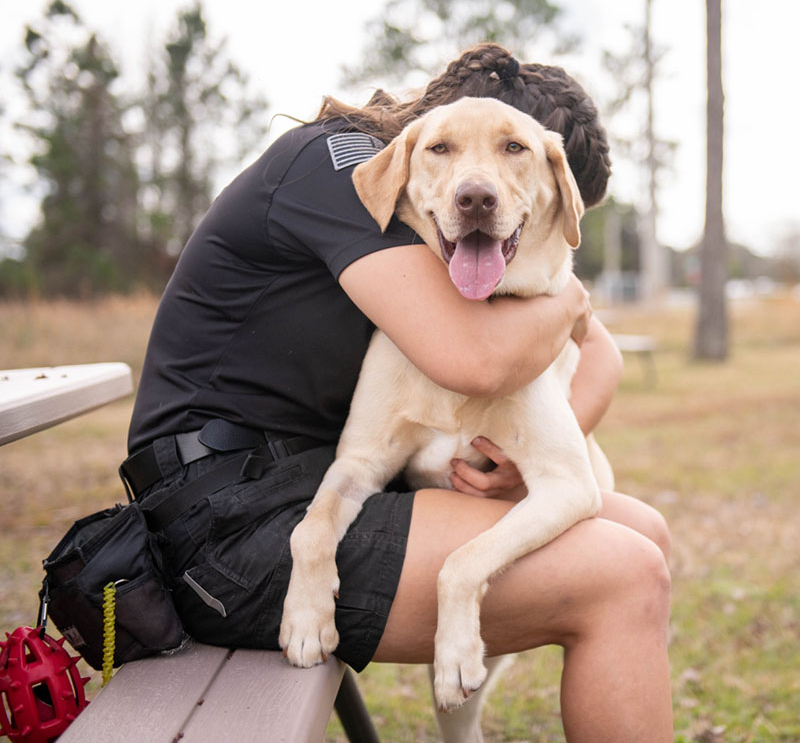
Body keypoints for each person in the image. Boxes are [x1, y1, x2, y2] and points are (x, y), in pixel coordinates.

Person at [121, 43, 673, 741]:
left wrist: (515, 464)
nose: (488, 188)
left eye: (516, 159)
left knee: (643, 532)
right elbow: (476, 360)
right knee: (624, 576)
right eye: (475, 148)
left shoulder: (466, 237)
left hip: (306, 476)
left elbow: (601, 354)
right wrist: (566, 304)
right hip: (229, 518)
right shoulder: (346, 167)